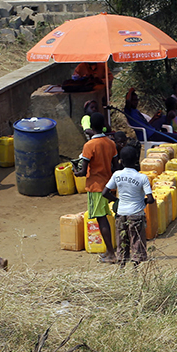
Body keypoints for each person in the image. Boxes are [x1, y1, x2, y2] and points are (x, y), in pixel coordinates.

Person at [76, 113, 119, 263]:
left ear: (90, 127)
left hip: (96, 186)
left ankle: (111, 253)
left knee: (102, 219)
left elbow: (83, 170)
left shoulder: (89, 146)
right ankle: (110, 251)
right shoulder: (110, 143)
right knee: (105, 217)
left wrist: (77, 172)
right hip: (109, 185)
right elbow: (116, 166)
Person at [103, 144, 153, 267]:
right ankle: (136, 268)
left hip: (121, 213)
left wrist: (117, 201)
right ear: (136, 160)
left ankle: (121, 267)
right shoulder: (142, 177)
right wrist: (144, 202)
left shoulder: (117, 175)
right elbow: (150, 199)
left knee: (122, 240)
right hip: (136, 214)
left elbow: (105, 192)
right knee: (136, 241)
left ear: (121, 161)